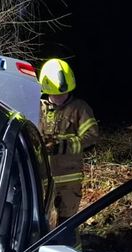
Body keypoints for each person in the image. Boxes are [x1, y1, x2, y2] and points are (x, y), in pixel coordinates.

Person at [38, 58, 98, 227]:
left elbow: (92, 137)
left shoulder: (80, 108)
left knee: (68, 225)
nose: (60, 97)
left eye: (63, 93)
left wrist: (63, 146)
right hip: (43, 179)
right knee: (44, 224)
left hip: (69, 179)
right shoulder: (37, 108)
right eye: (55, 94)